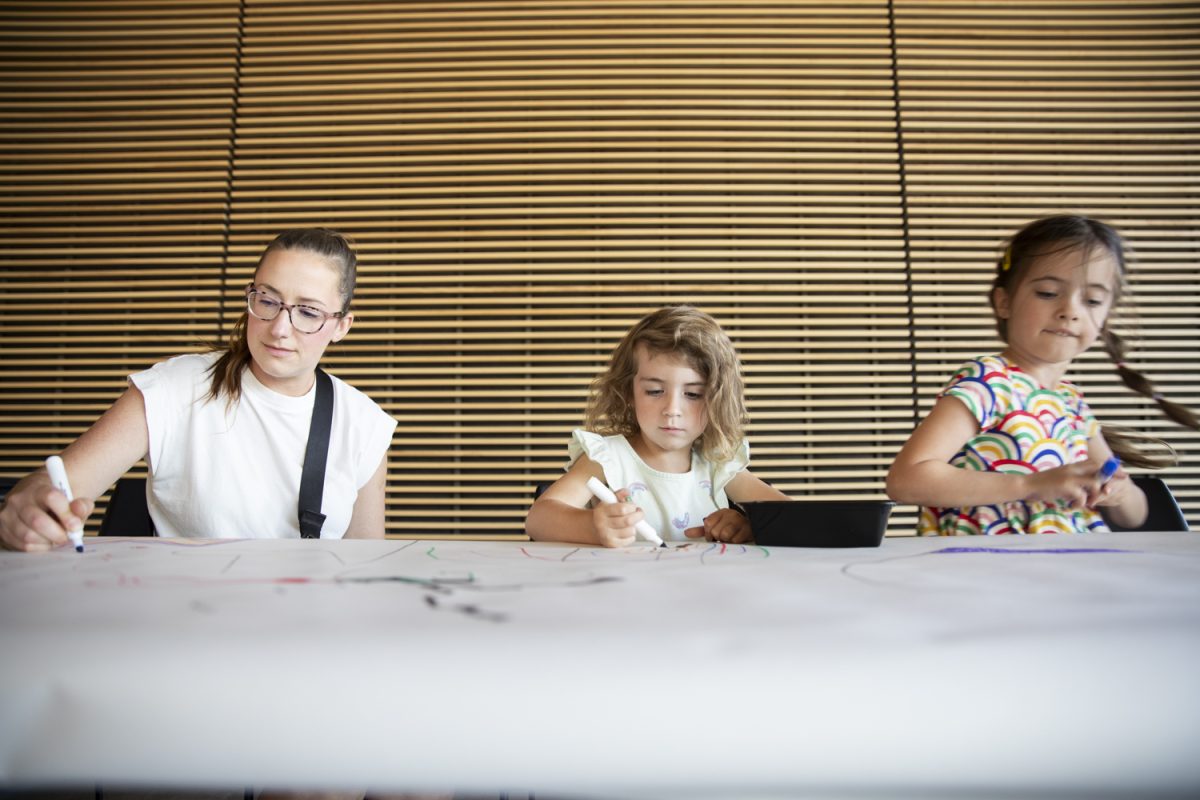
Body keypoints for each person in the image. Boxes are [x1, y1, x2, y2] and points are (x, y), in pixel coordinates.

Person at [0, 228, 396, 551]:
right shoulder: (174, 388)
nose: (279, 328)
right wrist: (30, 503)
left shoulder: (363, 424)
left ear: (342, 326)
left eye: (308, 312)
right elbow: (55, 485)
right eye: (268, 300)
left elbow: (364, 565)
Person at [887, 215, 1198, 535]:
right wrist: (1031, 484)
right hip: (982, 571)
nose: (1070, 310)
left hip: (1064, 573)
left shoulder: (1071, 401)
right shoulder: (988, 382)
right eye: (1048, 293)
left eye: (1092, 300)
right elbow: (907, 480)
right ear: (1004, 302)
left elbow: (1133, 516)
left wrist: (1119, 493)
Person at [526, 305, 789, 546]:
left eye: (693, 394)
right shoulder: (607, 458)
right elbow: (538, 519)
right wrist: (593, 527)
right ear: (628, 392)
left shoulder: (718, 463)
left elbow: (792, 519)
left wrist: (749, 526)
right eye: (654, 391)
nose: (672, 410)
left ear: (716, 401)